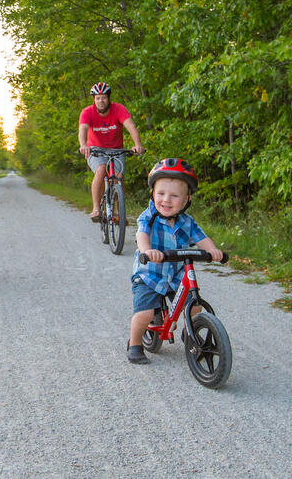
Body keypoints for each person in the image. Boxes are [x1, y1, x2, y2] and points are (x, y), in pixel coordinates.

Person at [127, 158, 223, 364]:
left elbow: (201, 238)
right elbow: (142, 235)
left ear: (186, 199)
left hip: (177, 274)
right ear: (153, 194)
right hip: (150, 274)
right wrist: (147, 251)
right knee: (144, 313)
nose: (166, 200)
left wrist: (213, 250)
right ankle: (135, 343)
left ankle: (191, 332)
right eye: (161, 194)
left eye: (174, 195)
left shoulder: (187, 222)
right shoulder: (148, 217)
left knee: (195, 307)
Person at [78, 82, 144, 222]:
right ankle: (96, 209)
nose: (101, 101)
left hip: (117, 150)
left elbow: (131, 126)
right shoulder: (87, 112)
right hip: (95, 150)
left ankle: (119, 212)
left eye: (103, 98)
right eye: (97, 98)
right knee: (101, 170)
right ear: (94, 99)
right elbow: (83, 129)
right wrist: (83, 145)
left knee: (118, 177)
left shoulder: (119, 109)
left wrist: (137, 144)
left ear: (109, 99)